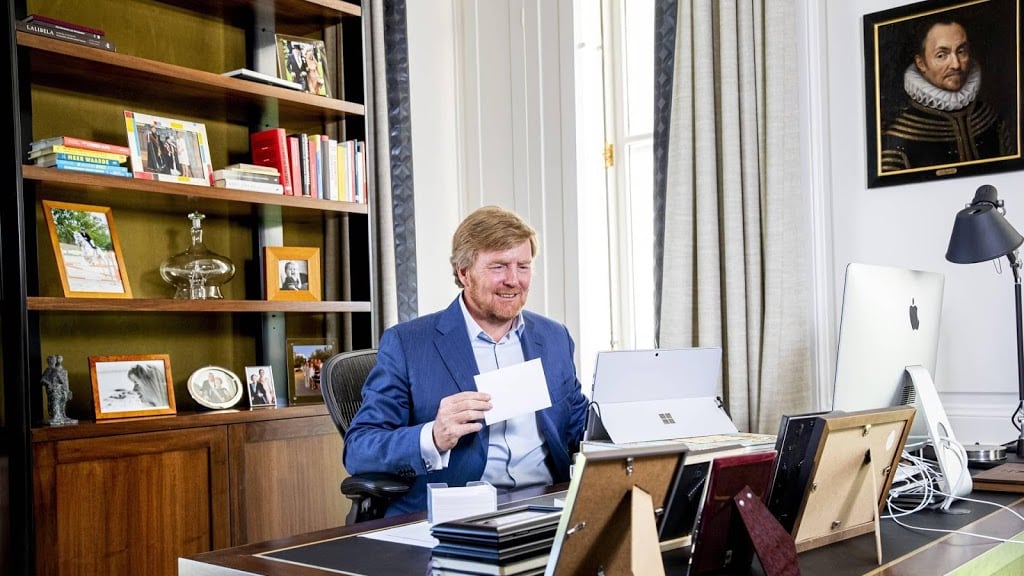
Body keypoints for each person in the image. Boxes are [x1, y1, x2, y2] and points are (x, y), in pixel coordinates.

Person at [343, 205, 590, 517]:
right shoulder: (408, 345)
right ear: (464, 273)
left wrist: (633, 420)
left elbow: (580, 426)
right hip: (460, 514)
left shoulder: (554, 338)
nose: (513, 280)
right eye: (499, 267)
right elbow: (360, 449)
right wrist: (433, 435)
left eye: (523, 267)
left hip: (546, 506)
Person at [881, 17, 1013, 172]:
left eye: (961, 51)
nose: (956, 64)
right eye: (941, 55)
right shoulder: (898, 136)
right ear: (921, 63)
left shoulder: (989, 118)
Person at [41, 355, 77, 426]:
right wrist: (49, 384)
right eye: (52, 360)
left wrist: (67, 390)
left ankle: (61, 416)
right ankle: (56, 416)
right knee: (55, 402)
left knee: (61, 402)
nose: (54, 362)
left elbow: (62, 381)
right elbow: (42, 380)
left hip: (59, 390)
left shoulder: (57, 370)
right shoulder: (49, 370)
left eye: (54, 360)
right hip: (53, 390)